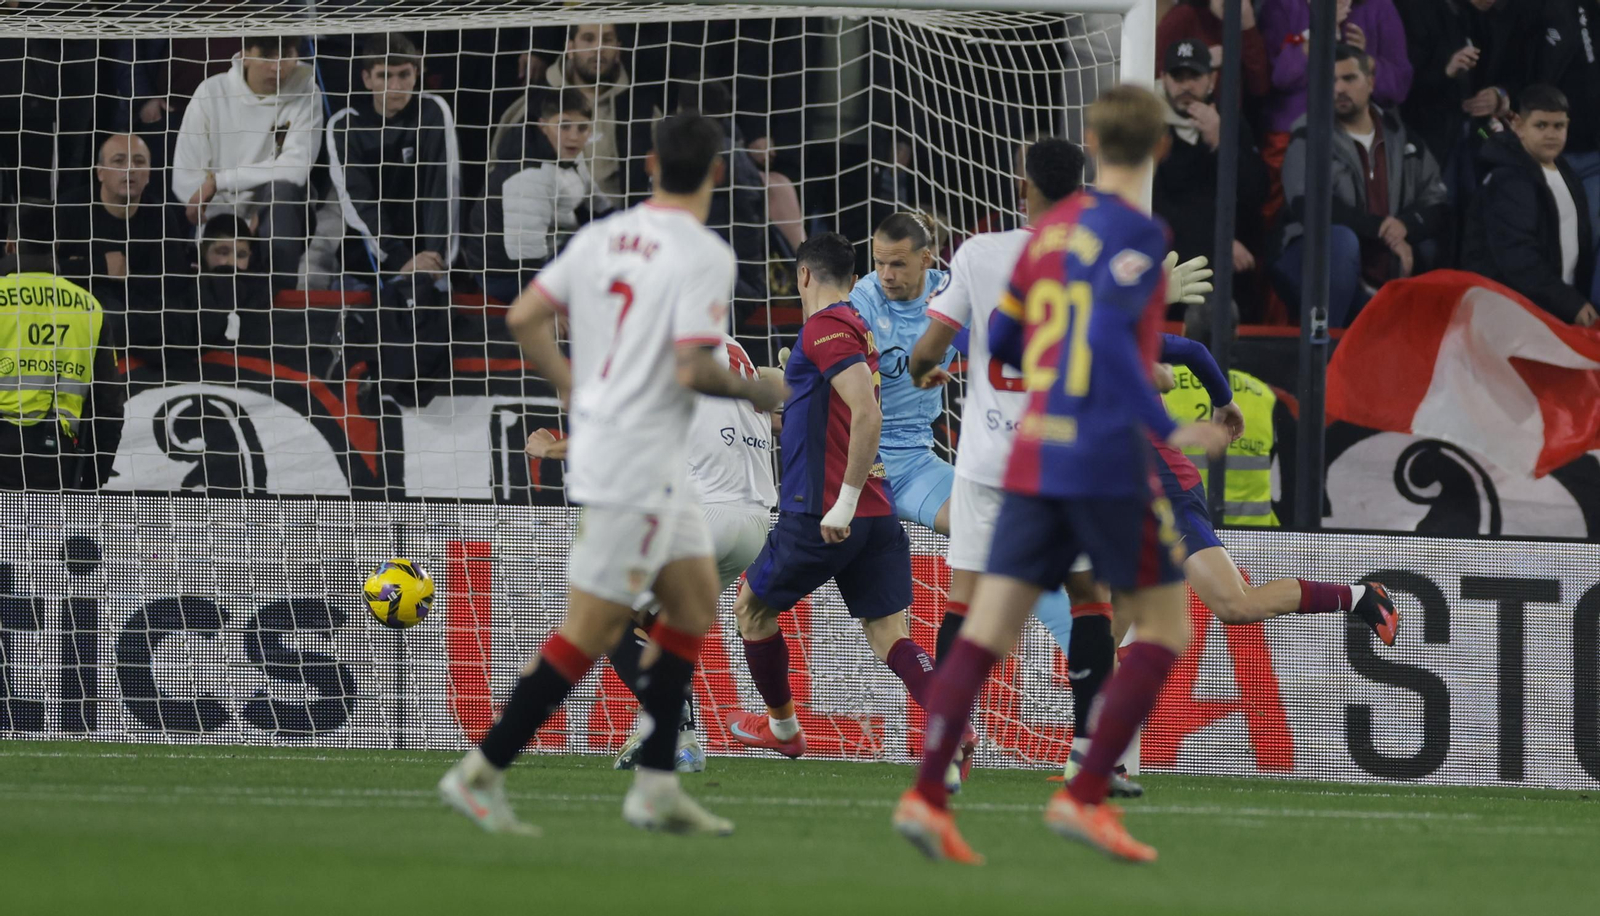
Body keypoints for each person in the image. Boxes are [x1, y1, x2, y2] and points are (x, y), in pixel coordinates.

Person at [892, 85, 1231, 865]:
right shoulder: (1137, 233)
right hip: (1100, 459)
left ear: (1091, 140)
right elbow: (1116, 345)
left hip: (1030, 452)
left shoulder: (1047, 237)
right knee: (1167, 625)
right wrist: (1169, 423)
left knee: (985, 623)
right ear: (1156, 148)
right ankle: (1083, 793)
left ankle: (929, 791)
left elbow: (1005, 335)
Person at [436, 112, 788, 837]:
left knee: (691, 607)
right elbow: (693, 366)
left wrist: (577, 388)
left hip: (650, 459)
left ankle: (657, 782)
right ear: (719, 174)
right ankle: (480, 771)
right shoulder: (703, 252)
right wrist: (759, 390)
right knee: (594, 627)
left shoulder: (599, 237)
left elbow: (525, 315)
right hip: (635, 460)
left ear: (651, 164)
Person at [720, 231, 940, 759]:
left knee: (751, 610)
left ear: (802, 276)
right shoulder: (858, 328)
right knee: (889, 632)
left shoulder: (825, 328)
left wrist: (841, 502)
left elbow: (867, 413)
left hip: (822, 512)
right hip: (877, 515)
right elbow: (833, 417)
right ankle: (950, 721)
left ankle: (784, 730)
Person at [1277, 45, 1449, 327]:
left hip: (1383, 262)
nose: (1339, 89)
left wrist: (1404, 226)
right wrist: (1381, 228)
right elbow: (1306, 204)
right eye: (1331, 81)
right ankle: (1323, 347)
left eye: (1349, 78)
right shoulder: (1309, 134)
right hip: (1311, 256)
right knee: (1343, 241)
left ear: (1370, 82)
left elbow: (1438, 201)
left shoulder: (1402, 137)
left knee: (1430, 246)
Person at [171, 35, 323, 292]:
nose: (277, 66)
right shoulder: (211, 92)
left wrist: (220, 181)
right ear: (245, 54)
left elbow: (295, 169)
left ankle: (280, 299)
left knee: (285, 193)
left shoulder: (307, 92)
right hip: (215, 223)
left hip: (271, 220)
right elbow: (186, 179)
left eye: (286, 55)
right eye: (266, 55)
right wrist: (235, 230)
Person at [326, 33, 461, 287]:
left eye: (404, 75)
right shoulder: (345, 125)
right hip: (367, 264)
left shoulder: (432, 110)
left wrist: (435, 260)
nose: (396, 86)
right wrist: (401, 258)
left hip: (430, 262)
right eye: (384, 76)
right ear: (367, 78)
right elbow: (359, 201)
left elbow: (443, 190)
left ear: (417, 73)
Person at [849, 212, 955, 534]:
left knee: (990, 531)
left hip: (915, 461)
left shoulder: (951, 296)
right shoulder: (861, 301)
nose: (885, 275)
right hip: (858, 460)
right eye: (879, 263)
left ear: (925, 259)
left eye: (897, 265)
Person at [1259, 0, 1414, 219]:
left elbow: (1397, 89)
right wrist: (1320, 31)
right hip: (1293, 136)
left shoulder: (1379, 7)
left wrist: (1362, 59)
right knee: (1284, 223)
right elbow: (1281, 76)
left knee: (1362, 225)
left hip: (1358, 137)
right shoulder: (1282, 5)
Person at [0, 204, 114, 491]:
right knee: (43, 537)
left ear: (11, 245)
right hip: (55, 457)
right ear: (57, 245)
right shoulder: (88, 307)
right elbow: (109, 406)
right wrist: (91, 482)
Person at [1152, 37, 1268, 319]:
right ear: (1164, 79)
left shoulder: (1230, 122)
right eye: (1177, 76)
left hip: (1224, 265)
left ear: (1212, 80)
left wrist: (1220, 142)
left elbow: (1256, 192)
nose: (1186, 86)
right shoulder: (1151, 127)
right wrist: (1219, 239)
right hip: (1171, 254)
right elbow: (1158, 206)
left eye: (1195, 76)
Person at [1462, 85, 1596, 326]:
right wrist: (1570, 302)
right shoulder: (1507, 179)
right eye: (1541, 125)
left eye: (1559, 126)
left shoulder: (1568, 175)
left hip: (1554, 313)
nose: (1551, 134)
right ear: (1519, 127)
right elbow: (1517, 255)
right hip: (1511, 318)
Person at [470, 88, 601, 304]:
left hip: (545, 250)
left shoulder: (566, 155)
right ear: (543, 126)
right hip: (506, 275)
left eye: (582, 128)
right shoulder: (529, 174)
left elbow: (596, 205)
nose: (574, 136)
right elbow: (525, 257)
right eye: (564, 126)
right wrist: (547, 306)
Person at [1161, 301, 1280, 527]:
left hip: (1180, 530)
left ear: (1183, 332)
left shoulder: (1160, 387)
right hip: (1258, 537)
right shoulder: (1264, 395)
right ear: (1235, 335)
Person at [1157, 0, 1271, 99]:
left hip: (1230, 115)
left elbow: (1259, 87)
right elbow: (1154, 72)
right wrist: (1201, 59)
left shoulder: (1246, 20)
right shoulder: (1184, 16)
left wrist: (1248, 28)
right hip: (1184, 110)